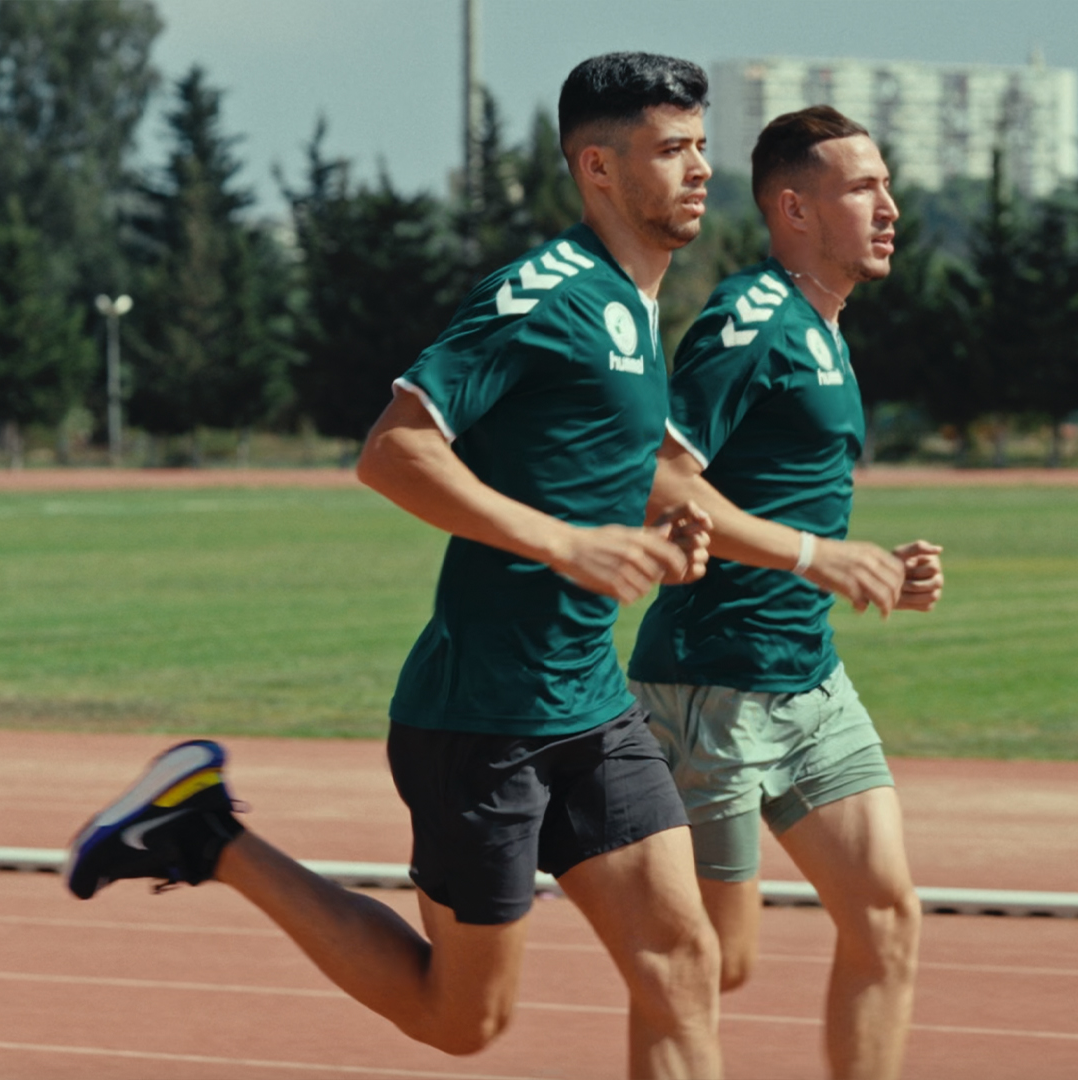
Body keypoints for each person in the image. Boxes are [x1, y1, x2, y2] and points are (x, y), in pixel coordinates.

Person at [64, 53, 726, 1079]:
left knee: (681, 961)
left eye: (701, 145)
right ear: (597, 167)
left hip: (590, 707)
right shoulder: (542, 294)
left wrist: (658, 540)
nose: (701, 169)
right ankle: (209, 836)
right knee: (463, 1020)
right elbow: (392, 452)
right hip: (483, 722)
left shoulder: (632, 306)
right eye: (672, 149)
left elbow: (582, 454)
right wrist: (567, 544)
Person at [627, 105, 943, 1080]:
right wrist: (817, 556)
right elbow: (654, 476)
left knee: (887, 917)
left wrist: (876, 564)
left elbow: (772, 497)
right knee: (708, 968)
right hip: (710, 690)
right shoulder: (751, 316)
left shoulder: (823, 328)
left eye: (886, 185)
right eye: (862, 188)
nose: (888, 207)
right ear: (794, 208)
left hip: (808, 682)